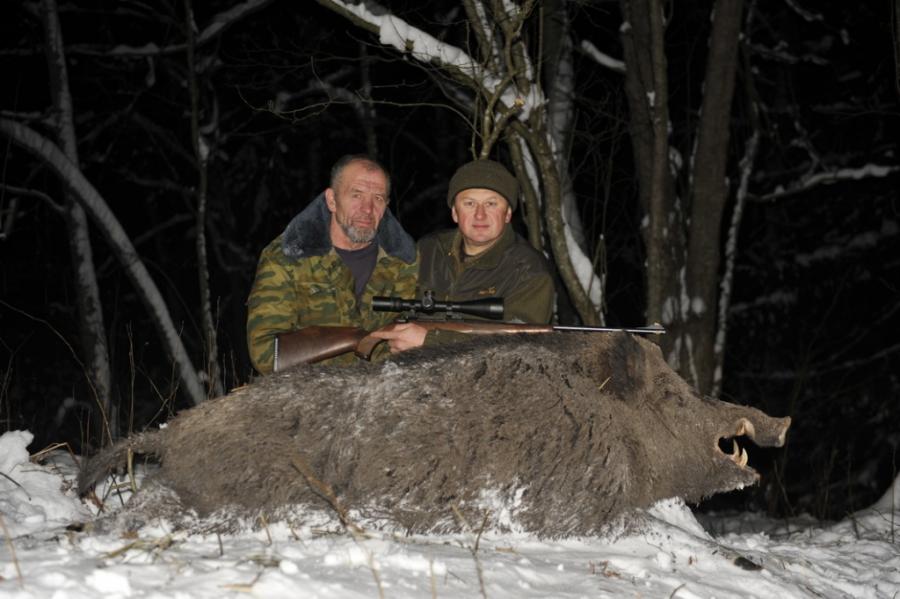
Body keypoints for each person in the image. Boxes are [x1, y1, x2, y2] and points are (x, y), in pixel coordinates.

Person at [246, 154, 417, 373]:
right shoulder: (287, 257)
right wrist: (360, 342)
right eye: (356, 195)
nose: (367, 209)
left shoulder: (405, 263)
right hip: (308, 390)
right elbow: (266, 353)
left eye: (378, 198)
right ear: (332, 200)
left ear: (386, 206)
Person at [373, 159, 554, 352]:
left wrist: (431, 341)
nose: (480, 215)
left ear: (508, 213)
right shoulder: (428, 249)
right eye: (469, 203)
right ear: (455, 213)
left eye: (491, 204)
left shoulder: (529, 270)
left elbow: (520, 347)